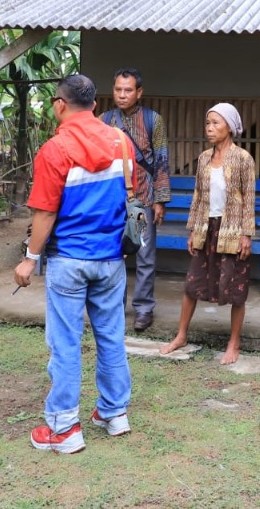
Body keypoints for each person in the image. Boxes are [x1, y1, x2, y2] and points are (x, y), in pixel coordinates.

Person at [14, 74, 133, 454]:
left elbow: (45, 213)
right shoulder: (121, 141)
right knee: (111, 336)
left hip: (68, 260)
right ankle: (114, 414)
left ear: (60, 104)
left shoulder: (55, 148)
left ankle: (64, 428)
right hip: (112, 259)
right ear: (95, 104)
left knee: (65, 343)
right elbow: (128, 195)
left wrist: (30, 259)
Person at [160, 103, 255, 365]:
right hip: (206, 228)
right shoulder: (203, 158)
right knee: (192, 284)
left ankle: (234, 343)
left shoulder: (243, 159)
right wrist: (192, 230)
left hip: (232, 229)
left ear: (230, 127)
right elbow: (198, 197)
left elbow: (249, 199)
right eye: (208, 123)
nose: (210, 128)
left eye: (215, 123)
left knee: (236, 288)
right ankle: (181, 335)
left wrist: (246, 234)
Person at [100, 68, 171, 332]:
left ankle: (143, 309)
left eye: (128, 90)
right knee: (112, 255)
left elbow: (161, 160)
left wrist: (160, 200)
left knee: (143, 254)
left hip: (141, 203)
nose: (122, 94)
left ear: (139, 92)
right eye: (118, 89)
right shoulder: (103, 120)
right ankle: (114, 306)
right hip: (112, 203)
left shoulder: (153, 120)